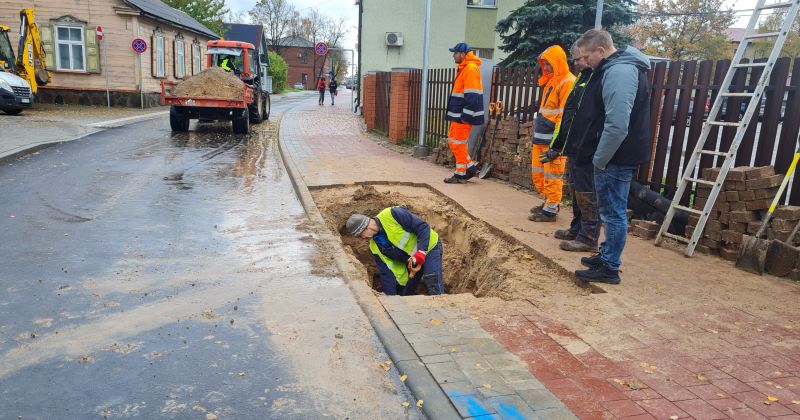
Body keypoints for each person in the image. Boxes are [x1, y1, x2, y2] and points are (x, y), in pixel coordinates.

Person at [572, 29, 652, 284]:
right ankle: (606, 255)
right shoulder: (619, 68)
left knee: (612, 213)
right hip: (616, 154)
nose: (586, 63)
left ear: (600, 50)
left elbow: (617, 124)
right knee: (609, 210)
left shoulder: (619, 72)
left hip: (616, 156)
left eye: (587, 57)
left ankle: (609, 267)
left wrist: (600, 158)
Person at [545, 44, 600, 252]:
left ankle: (588, 237)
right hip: (575, 145)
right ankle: (577, 229)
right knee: (577, 190)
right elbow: (570, 115)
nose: (575, 63)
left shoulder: (597, 78)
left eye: (579, 59)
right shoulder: (583, 78)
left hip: (588, 146)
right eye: (574, 59)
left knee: (587, 192)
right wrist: (558, 144)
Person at [345, 207, 444, 296]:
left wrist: (421, 251)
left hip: (429, 247)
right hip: (413, 260)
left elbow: (422, 227)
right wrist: (390, 297)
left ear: (365, 228)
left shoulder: (392, 214)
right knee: (407, 291)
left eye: (360, 235)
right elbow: (386, 273)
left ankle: (442, 307)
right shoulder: (375, 246)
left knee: (432, 278)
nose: (362, 238)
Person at [529, 45, 575, 222]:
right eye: (544, 64)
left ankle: (550, 210)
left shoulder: (567, 82)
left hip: (553, 140)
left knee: (552, 175)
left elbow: (564, 117)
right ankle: (548, 202)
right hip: (542, 137)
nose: (546, 67)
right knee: (539, 174)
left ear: (558, 62)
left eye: (549, 64)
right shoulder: (551, 81)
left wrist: (557, 144)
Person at [443, 42, 484, 184]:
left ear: (462, 54)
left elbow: (472, 95)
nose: (453, 56)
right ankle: (470, 168)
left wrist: (466, 116)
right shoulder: (466, 68)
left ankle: (460, 174)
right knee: (454, 141)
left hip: (463, 115)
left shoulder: (470, 69)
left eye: (455, 53)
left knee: (457, 143)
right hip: (459, 114)